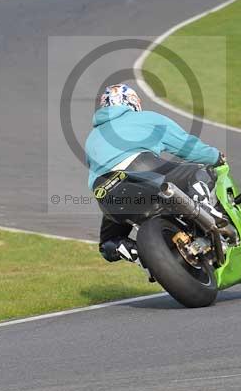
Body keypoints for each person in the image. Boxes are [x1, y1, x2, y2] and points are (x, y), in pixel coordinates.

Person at [85, 83, 225, 263]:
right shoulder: (146, 118)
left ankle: (139, 254)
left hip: (106, 192)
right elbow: (186, 146)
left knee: (108, 242)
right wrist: (215, 157)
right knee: (196, 172)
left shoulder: (92, 137)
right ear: (133, 103)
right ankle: (208, 211)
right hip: (140, 169)